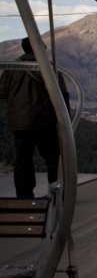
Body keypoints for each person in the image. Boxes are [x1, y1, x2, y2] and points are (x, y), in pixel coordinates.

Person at [0, 38, 69, 199]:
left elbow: (2, 92)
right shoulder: (48, 68)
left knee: (23, 159)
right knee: (52, 158)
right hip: (45, 121)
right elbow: (61, 95)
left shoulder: (13, 68)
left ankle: (24, 194)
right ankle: (56, 192)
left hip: (20, 123)